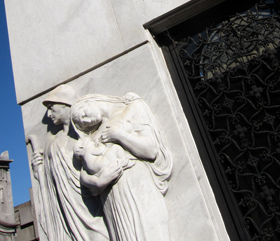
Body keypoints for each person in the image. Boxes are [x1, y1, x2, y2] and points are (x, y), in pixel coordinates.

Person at [71, 92, 173, 241]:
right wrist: (99, 181)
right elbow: (85, 173)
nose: (86, 121)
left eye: (83, 114)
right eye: (83, 124)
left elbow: (151, 151)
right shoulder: (92, 138)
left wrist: (119, 135)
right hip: (112, 199)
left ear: (90, 101)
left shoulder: (132, 108)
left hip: (137, 185)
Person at [31, 84, 109, 241]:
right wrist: (38, 170)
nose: (48, 114)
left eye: (52, 108)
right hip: (66, 212)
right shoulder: (53, 143)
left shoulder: (86, 134)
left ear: (65, 104)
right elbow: (50, 181)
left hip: (90, 207)